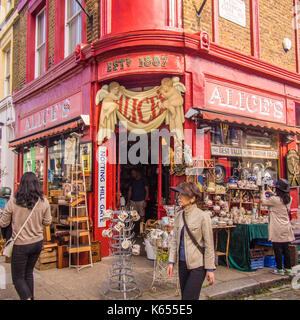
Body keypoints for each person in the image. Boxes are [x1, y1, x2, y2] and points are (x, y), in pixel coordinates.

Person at [0, 172, 52, 300]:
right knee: (29, 273)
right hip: (37, 243)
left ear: (22, 185)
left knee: (17, 278)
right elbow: (47, 222)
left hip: (20, 245)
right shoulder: (44, 201)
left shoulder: (14, 202)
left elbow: (3, 222)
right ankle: (30, 297)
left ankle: (27, 297)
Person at [167, 182, 215, 300]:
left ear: (193, 198)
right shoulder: (179, 216)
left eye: (183, 194)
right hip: (182, 264)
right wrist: (171, 262)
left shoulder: (203, 217)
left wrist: (210, 269)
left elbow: (209, 245)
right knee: (185, 296)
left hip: (198, 266)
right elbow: (174, 241)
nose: (179, 197)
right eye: (179, 194)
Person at [262, 178, 295, 275]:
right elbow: (278, 199)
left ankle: (279, 268)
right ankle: (288, 268)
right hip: (286, 226)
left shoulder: (274, 200)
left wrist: (263, 193)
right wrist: (272, 192)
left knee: (277, 248)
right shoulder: (289, 199)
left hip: (277, 227)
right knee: (286, 248)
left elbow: (264, 201)